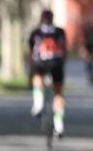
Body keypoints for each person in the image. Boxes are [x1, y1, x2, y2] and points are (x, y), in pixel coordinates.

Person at [27, 9, 67, 137]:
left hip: (41, 65)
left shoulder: (35, 32)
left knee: (37, 78)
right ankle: (59, 125)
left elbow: (31, 54)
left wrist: (31, 69)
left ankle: (38, 104)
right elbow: (65, 52)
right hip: (57, 65)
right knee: (58, 93)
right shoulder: (60, 32)